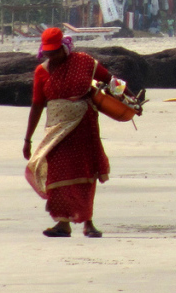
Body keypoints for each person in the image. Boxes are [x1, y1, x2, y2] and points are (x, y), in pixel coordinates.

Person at [23, 28, 112, 238]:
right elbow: (37, 105)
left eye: (56, 51)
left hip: (84, 125)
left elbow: (109, 79)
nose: (53, 56)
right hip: (56, 130)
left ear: (65, 47)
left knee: (86, 172)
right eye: (49, 52)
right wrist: (28, 139)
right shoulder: (41, 71)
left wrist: (130, 100)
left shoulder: (84, 62)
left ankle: (88, 223)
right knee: (57, 173)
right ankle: (63, 223)